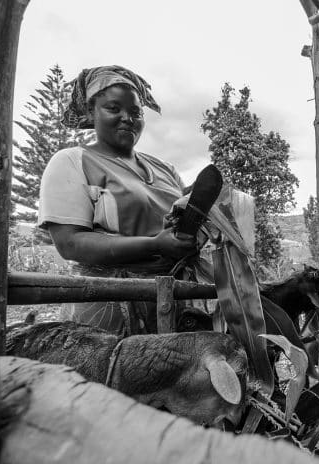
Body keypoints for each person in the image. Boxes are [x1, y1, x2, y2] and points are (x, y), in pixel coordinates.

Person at [38, 65, 198, 335]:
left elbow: (183, 223)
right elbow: (70, 243)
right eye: (114, 109)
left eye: (136, 112)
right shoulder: (72, 161)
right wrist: (154, 244)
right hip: (107, 308)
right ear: (91, 112)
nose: (127, 118)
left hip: (172, 305)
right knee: (110, 373)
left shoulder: (165, 169)